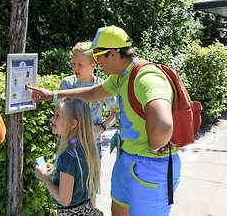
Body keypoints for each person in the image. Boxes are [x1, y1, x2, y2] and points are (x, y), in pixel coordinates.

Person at [28, 25, 181, 216]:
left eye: (98, 55)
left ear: (113, 54)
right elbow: (91, 93)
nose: (97, 61)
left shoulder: (146, 77)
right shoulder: (120, 77)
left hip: (149, 165)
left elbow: (163, 125)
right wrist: (52, 95)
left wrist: (154, 145)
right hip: (128, 159)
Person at [34, 98, 103, 216]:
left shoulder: (68, 157)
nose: (52, 119)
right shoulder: (85, 149)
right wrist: (57, 171)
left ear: (73, 123)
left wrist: (44, 177)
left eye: (57, 116)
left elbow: (64, 200)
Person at [60, 41, 117, 161]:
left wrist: (102, 127)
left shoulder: (103, 86)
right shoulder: (67, 84)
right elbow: (59, 113)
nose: (76, 68)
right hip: (69, 143)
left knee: (92, 179)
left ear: (94, 65)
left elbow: (115, 113)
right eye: (73, 64)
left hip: (93, 145)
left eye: (80, 64)